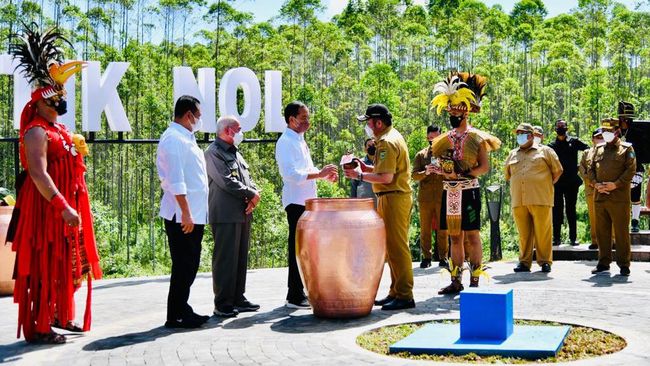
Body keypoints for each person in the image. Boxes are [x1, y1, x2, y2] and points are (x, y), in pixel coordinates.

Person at [8, 24, 102, 344]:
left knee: (70, 264)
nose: (60, 104)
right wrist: (62, 206)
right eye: (55, 100)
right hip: (47, 212)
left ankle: (61, 314)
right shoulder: (36, 131)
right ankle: (39, 326)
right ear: (40, 102)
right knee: (46, 265)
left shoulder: (58, 129)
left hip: (66, 209)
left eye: (61, 99)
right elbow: (38, 173)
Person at [429, 72, 501, 294]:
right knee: (454, 237)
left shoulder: (477, 137)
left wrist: (464, 173)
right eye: (450, 109)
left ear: (466, 112)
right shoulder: (443, 140)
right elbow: (442, 164)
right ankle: (455, 279)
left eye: (456, 109)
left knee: (472, 235)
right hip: (449, 192)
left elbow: (484, 167)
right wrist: (440, 171)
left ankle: (475, 280)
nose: (452, 113)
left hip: (469, 192)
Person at [344, 103, 415, 311]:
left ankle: (405, 294)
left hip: (394, 197)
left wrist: (359, 175)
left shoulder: (386, 142)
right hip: (390, 196)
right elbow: (384, 169)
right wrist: (366, 168)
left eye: (369, 122)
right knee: (391, 247)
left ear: (378, 122)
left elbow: (386, 177)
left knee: (398, 247)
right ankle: (396, 291)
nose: (368, 126)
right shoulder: (390, 137)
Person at [275, 101, 338, 309]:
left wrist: (324, 176)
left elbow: (308, 168)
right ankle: (294, 294)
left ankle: (302, 289)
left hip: (307, 202)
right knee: (297, 248)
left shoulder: (299, 140)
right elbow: (290, 174)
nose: (307, 122)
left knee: (306, 248)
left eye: (308, 117)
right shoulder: (285, 142)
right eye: (303, 118)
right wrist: (319, 174)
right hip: (295, 202)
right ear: (291, 120)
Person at [156, 95, 210, 328]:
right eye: (198, 116)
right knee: (183, 265)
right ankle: (176, 314)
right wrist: (186, 214)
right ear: (188, 115)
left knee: (189, 264)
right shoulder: (174, 140)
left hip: (193, 214)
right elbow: (176, 180)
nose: (199, 120)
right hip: (183, 216)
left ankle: (182, 308)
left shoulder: (185, 138)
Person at [205, 116, 260, 318]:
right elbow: (226, 181)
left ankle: (238, 297)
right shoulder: (213, 153)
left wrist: (254, 195)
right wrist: (251, 194)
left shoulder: (235, 152)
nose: (241, 132)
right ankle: (222, 303)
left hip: (242, 211)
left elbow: (248, 179)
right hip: (225, 213)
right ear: (228, 131)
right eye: (238, 129)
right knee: (225, 259)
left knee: (240, 257)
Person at [505, 123, 563, 273]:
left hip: (540, 198)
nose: (519, 136)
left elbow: (557, 171)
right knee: (524, 233)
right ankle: (524, 262)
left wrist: (543, 185)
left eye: (522, 133)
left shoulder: (546, 151)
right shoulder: (512, 154)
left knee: (543, 231)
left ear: (531, 135)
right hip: (519, 199)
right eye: (517, 133)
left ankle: (545, 261)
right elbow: (508, 175)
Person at [588, 118, 636, 276]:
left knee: (621, 232)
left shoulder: (626, 149)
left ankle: (624, 264)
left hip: (619, 198)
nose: (606, 134)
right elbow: (590, 169)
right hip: (600, 197)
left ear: (617, 131)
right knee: (602, 232)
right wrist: (595, 183)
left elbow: (630, 170)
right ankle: (603, 262)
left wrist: (616, 184)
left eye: (609, 131)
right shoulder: (598, 149)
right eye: (604, 131)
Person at [548, 119, 589, 246]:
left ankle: (573, 238)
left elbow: (588, 150)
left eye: (563, 126)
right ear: (555, 129)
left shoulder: (574, 142)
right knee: (557, 211)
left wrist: (580, 166)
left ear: (567, 128)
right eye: (559, 126)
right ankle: (556, 238)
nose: (561, 128)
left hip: (572, 182)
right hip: (557, 183)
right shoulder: (550, 146)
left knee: (571, 210)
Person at [411, 125, 448, 269]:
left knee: (443, 229)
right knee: (425, 229)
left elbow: (452, 173)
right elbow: (414, 175)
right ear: (427, 137)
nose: (433, 140)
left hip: (442, 196)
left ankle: (443, 257)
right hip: (425, 198)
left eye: (437, 136)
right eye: (431, 137)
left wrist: (441, 171)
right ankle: (426, 257)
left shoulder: (446, 154)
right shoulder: (421, 155)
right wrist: (425, 172)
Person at [618, 101, 645, 233]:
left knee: (635, 195)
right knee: (620, 197)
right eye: (623, 117)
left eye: (627, 118)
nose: (625, 120)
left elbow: (642, 150)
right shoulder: (614, 132)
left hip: (635, 167)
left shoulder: (638, 132)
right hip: (618, 169)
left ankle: (635, 221)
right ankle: (621, 222)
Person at [579, 128, 604, 250]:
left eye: (602, 137)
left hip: (607, 189)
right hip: (591, 189)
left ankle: (613, 240)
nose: (600, 139)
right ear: (592, 139)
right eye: (597, 137)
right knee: (593, 216)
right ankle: (595, 241)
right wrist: (592, 183)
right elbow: (582, 170)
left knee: (609, 215)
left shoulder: (609, 151)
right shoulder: (586, 153)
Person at [350, 138, 377, 206]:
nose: (372, 147)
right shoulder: (359, 163)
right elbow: (353, 184)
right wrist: (353, 203)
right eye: (369, 145)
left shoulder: (383, 163)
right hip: (363, 203)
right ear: (365, 149)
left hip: (380, 203)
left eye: (373, 145)